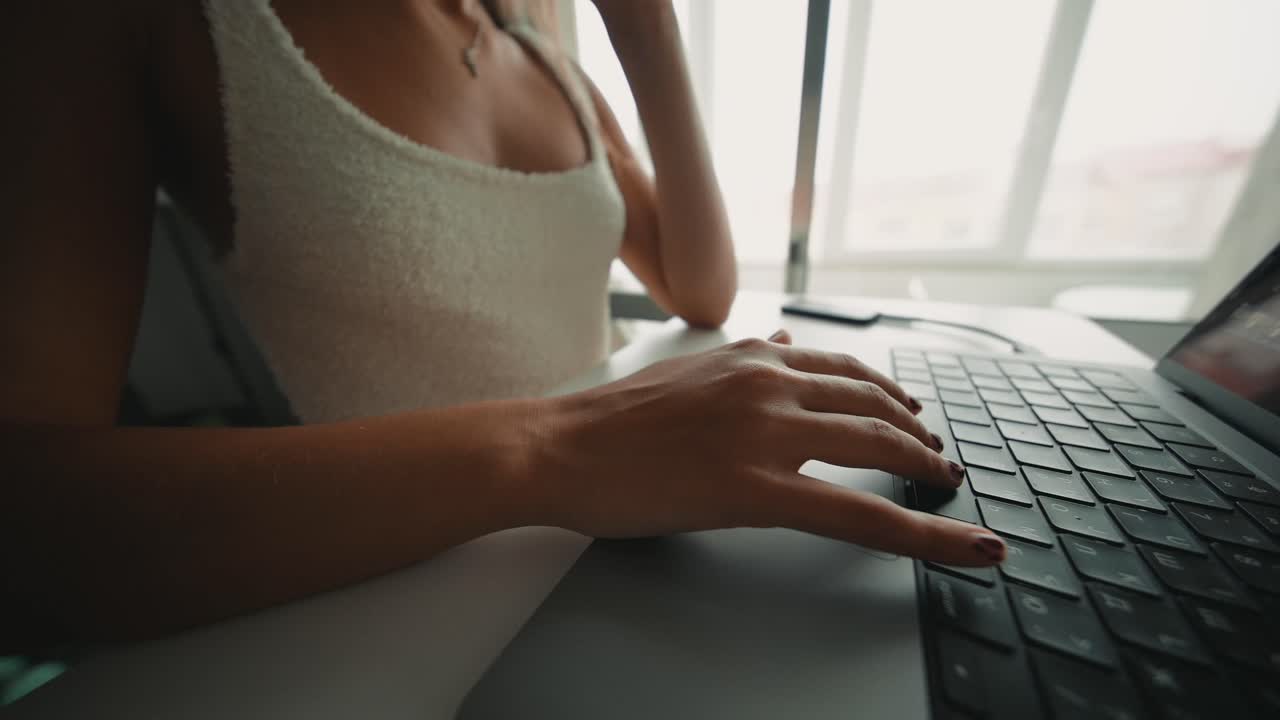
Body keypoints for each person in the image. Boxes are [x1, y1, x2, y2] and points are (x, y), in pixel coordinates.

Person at [0, 0, 1005, 648]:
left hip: (619, 537)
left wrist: (647, 33)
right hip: (399, 593)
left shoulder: (542, 54)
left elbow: (697, 290)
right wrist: (563, 446)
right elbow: (27, 538)